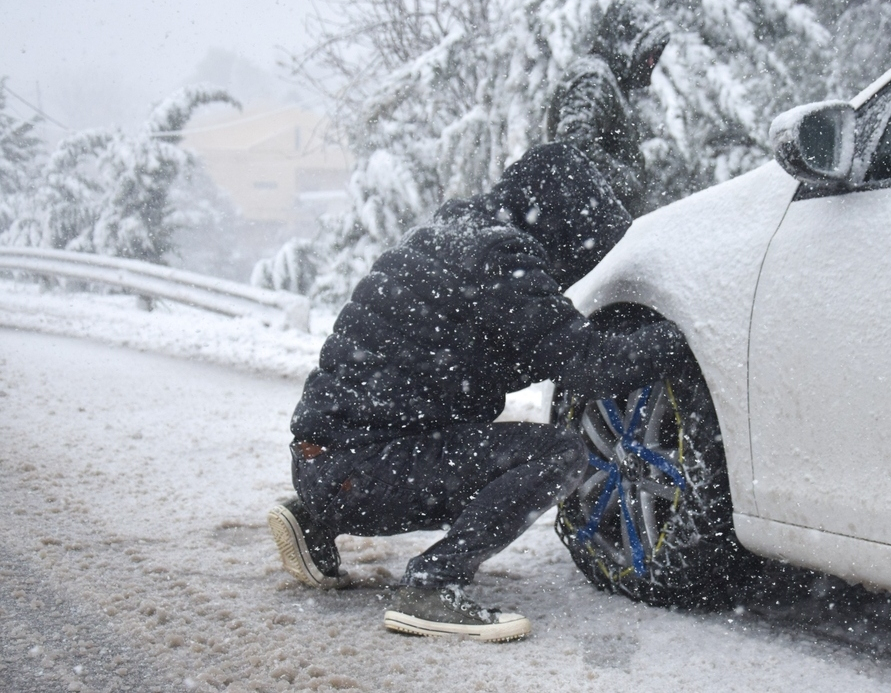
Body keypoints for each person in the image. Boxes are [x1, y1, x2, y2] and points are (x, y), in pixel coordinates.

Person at [267, 143, 688, 642]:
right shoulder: (500, 263)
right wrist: (685, 332)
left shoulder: (454, 239)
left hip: (328, 461)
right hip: (361, 469)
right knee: (558, 454)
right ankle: (430, 586)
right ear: (560, 224)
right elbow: (588, 366)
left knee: (467, 442)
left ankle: (314, 516)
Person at [546, 0, 670, 218]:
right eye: (648, 52)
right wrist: (627, 183)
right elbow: (572, 146)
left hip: (595, 223)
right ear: (626, 40)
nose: (651, 61)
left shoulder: (605, 79)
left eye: (655, 54)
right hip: (589, 228)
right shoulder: (596, 77)